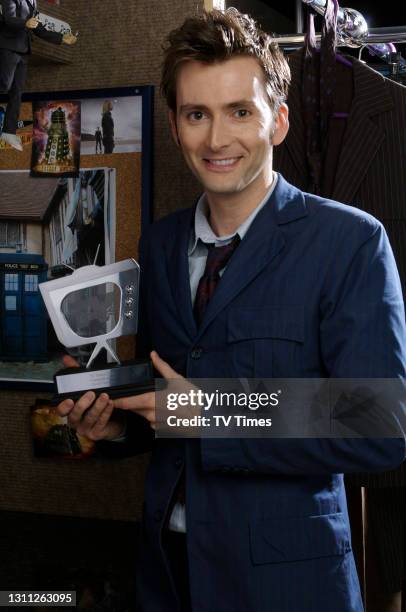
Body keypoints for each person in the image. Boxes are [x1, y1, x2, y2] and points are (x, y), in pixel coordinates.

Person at [56, 9, 406, 612]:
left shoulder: (351, 241)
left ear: (279, 122)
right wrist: (111, 424)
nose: (217, 140)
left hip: (287, 585)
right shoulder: (161, 246)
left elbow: (379, 422)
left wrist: (214, 410)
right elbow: (169, 407)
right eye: (198, 114)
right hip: (166, 575)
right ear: (174, 126)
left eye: (240, 112)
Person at [0, 0, 77, 151]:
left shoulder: (32, 3)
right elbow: (8, 19)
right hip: (8, 46)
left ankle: (8, 132)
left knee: (17, 92)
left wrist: (61, 38)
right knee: (4, 85)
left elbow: (39, 27)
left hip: (23, 49)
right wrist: (25, 23)